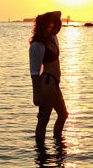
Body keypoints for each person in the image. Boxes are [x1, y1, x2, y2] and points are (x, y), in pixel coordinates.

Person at [29, 11, 68, 145]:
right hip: (47, 83)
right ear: (46, 26)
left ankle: (58, 143)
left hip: (55, 84)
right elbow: (34, 72)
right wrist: (36, 95)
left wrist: (47, 17)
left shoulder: (53, 38)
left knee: (63, 114)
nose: (56, 29)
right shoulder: (37, 46)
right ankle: (40, 153)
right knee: (44, 119)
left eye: (58, 26)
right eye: (53, 26)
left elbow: (58, 12)